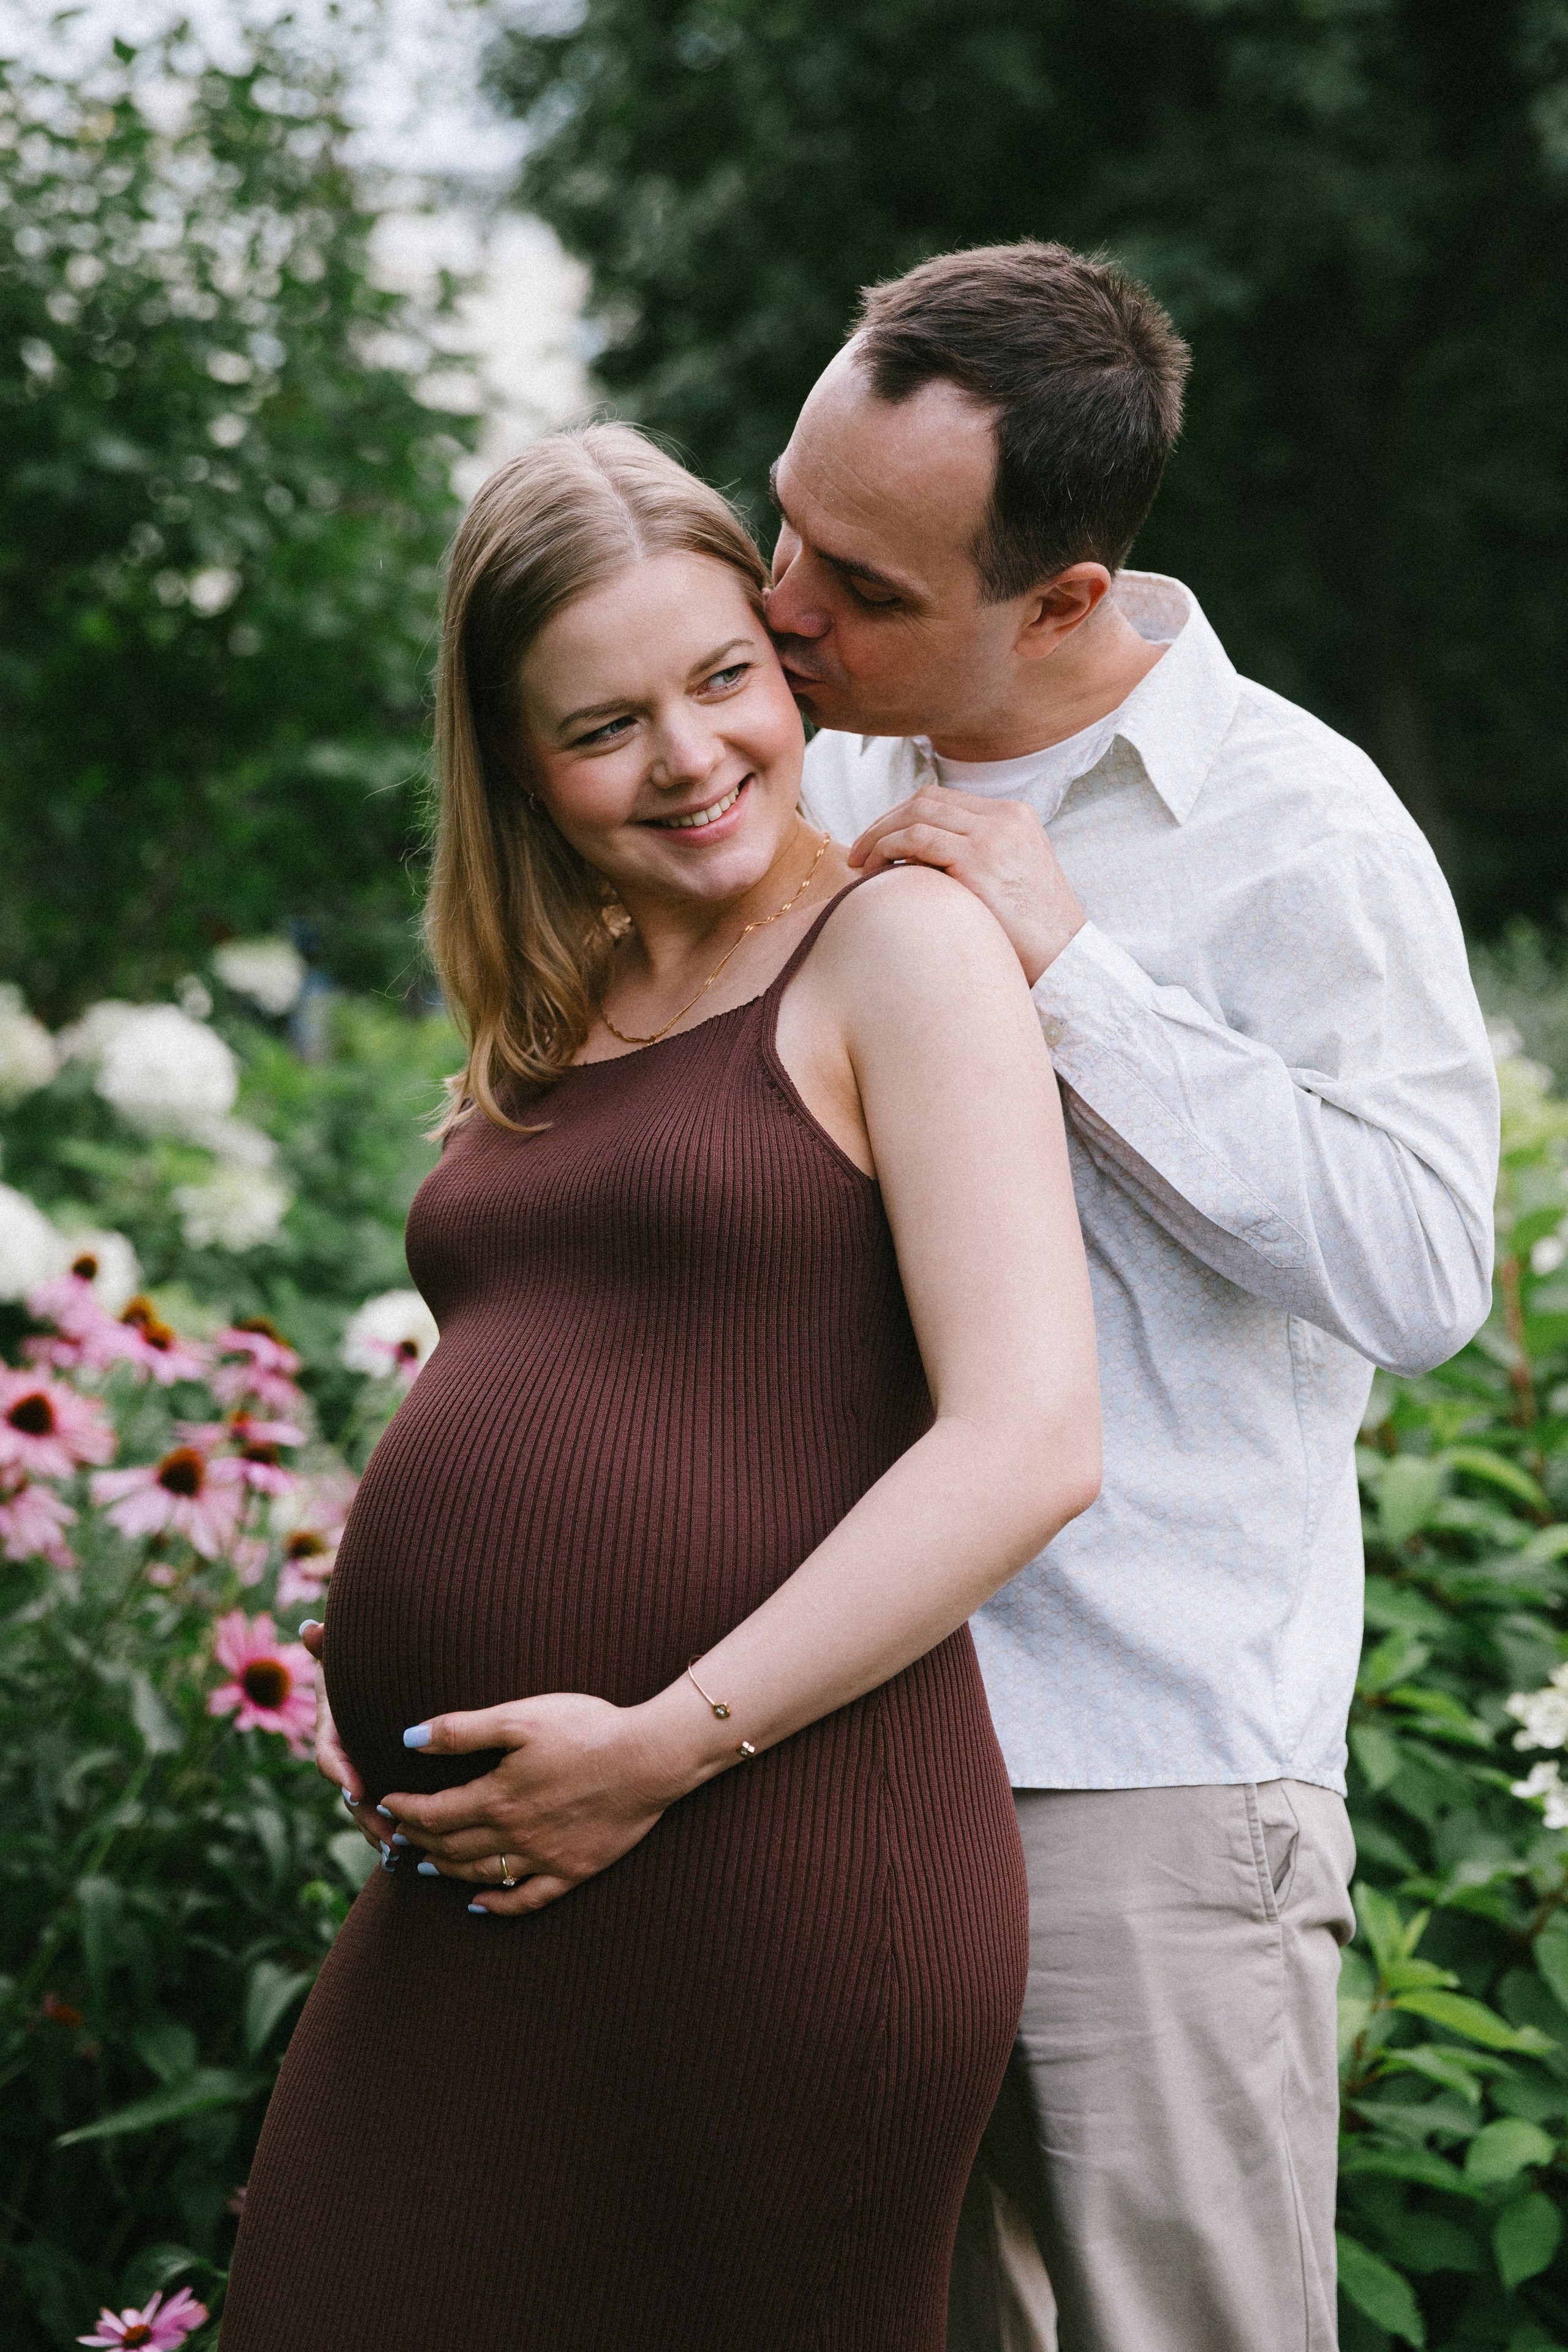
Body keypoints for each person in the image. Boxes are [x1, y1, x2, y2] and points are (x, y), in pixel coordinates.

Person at [219, 424, 1101, 2352]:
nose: (689, 757)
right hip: (503, 1873)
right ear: (512, 762)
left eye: (722, 680)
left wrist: (658, 1746)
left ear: (784, 668)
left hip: (777, 1856)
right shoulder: (564, 1003)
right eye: (605, 725)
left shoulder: (898, 947)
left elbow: (1031, 1440)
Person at [763, 243, 1499, 2352]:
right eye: (782, 524)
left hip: (1144, 1777)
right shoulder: (806, 768)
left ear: (1065, 597)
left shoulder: (1298, 828)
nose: (786, 607)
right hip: (826, 1744)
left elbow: (1428, 1264)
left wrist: (1077, 977)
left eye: (865, 587)